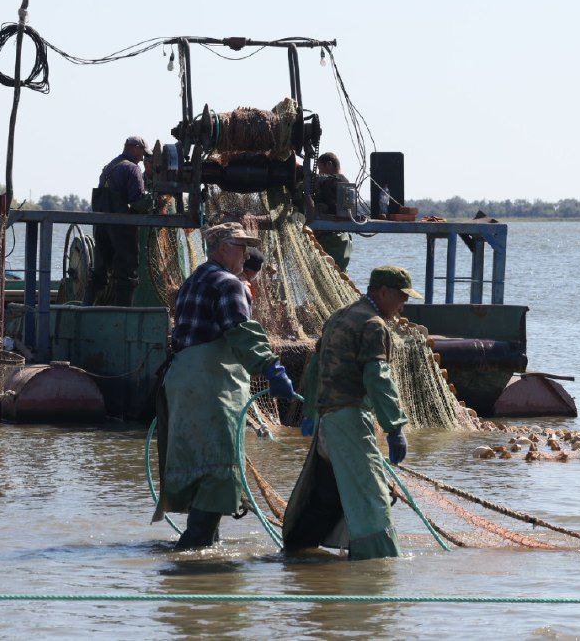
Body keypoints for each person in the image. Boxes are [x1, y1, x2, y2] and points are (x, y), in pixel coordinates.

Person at [153, 222, 297, 549]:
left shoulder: (194, 279)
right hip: (211, 383)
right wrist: (271, 368)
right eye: (240, 246)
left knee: (197, 461)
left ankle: (205, 548)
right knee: (221, 463)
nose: (246, 254)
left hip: (181, 380)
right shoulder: (229, 283)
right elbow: (241, 332)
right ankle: (194, 548)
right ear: (221, 248)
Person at [282, 265, 414, 561]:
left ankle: (296, 554)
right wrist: (394, 427)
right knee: (372, 497)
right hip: (350, 420)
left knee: (326, 495)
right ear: (383, 292)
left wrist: (311, 412)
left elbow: (315, 367)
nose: (404, 303)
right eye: (402, 296)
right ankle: (378, 564)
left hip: (326, 423)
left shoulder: (339, 317)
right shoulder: (373, 324)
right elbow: (378, 377)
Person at [90, 135, 152, 306]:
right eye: (142, 153)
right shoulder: (132, 168)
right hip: (122, 228)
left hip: (101, 226)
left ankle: (86, 308)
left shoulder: (109, 167)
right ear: (134, 148)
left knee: (100, 270)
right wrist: (152, 201)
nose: (143, 158)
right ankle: (123, 314)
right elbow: (137, 201)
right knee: (127, 272)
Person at [311, 152, 353, 271]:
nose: (319, 173)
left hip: (330, 239)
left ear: (329, 164)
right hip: (345, 239)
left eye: (320, 169)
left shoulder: (332, 181)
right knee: (340, 274)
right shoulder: (346, 182)